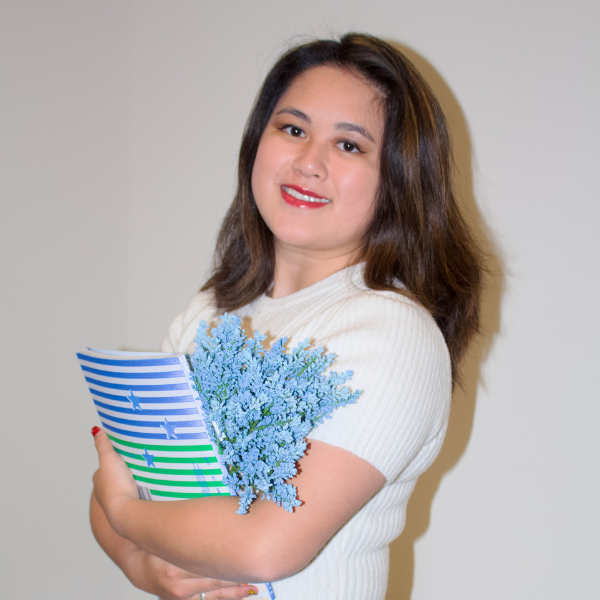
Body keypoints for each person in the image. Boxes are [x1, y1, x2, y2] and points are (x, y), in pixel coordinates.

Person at [90, 32, 483, 600]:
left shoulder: (393, 334)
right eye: (293, 129)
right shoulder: (206, 315)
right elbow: (113, 483)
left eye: (349, 145)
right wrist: (140, 563)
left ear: (398, 178)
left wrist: (126, 515)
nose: (308, 162)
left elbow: (265, 546)